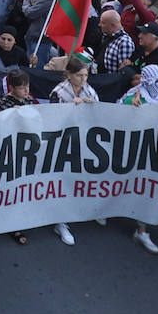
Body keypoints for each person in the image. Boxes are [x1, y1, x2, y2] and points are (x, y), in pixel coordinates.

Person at [49, 57, 98, 246]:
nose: (83, 79)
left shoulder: (90, 91)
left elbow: (99, 115)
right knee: (62, 180)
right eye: (79, 76)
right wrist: (72, 109)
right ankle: (60, 221)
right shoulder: (58, 93)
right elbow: (53, 119)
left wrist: (89, 108)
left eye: (85, 75)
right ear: (69, 75)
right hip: (62, 143)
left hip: (82, 142)